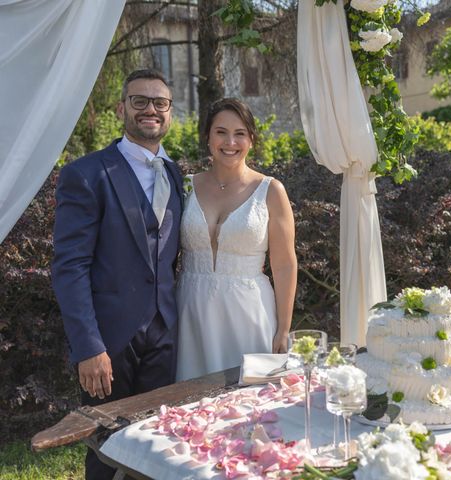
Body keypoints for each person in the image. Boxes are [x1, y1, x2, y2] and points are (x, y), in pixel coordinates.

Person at [51, 69, 182, 480]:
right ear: (121, 108)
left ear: (170, 113)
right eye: (140, 101)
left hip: (165, 332)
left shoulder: (175, 173)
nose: (151, 110)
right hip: (110, 341)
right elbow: (70, 266)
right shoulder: (86, 174)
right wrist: (88, 347)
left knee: (156, 443)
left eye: (160, 103)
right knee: (108, 450)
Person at [176, 98, 297, 381]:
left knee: (250, 405)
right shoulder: (185, 186)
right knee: (191, 407)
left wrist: (283, 328)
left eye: (240, 133)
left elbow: (284, 265)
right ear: (207, 136)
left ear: (251, 139)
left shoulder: (270, 190)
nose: (230, 141)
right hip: (191, 311)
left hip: (249, 311)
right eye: (221, 132)